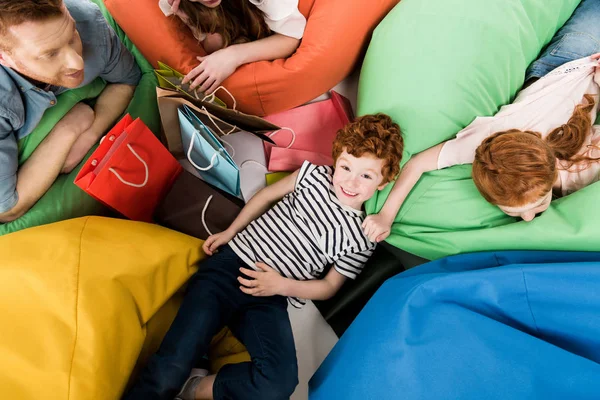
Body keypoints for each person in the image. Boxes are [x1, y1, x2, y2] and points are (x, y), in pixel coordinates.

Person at [123, 114, 403, 400]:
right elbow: (267, 196)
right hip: (231, 267)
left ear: (383, 182)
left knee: (279, 383)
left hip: (271, 296)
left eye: (366, 175)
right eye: (345, 167)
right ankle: (171, 379)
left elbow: (329, 287)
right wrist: (230, 232)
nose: (351, 181)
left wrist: (280, 286)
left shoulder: (361, 237)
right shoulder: (313, 176)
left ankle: (192, 388)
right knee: (170, 365)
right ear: (336, 160)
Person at [362, 0, 600, 241]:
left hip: (570, 61)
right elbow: (416, 165)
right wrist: (385, 217)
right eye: (512, 212)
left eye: (537, 204)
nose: (528, 218)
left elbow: (416, 164)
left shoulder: (479, 139)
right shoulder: (488, 159)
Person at [0, 0, 141, 223]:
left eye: (72, 35)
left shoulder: (87, 20)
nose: (77, 63)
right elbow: (7, 210)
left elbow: (128, 79)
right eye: (50, 54)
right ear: (3, 57)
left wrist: (92, 131)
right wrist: (69, 128)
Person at [158, 0, 305, 95]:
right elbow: (214, 47)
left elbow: (290, 37)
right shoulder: (175, 3)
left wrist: (234, 55)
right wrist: (193, 21)